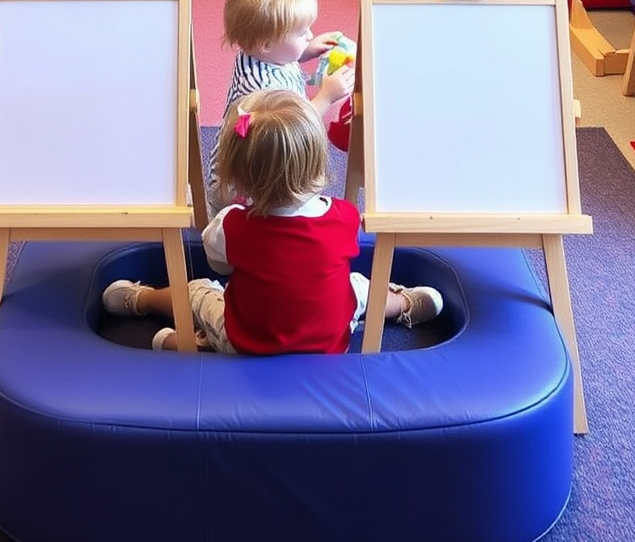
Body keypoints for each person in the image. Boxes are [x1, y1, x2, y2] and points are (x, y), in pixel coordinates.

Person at [103, 88, 443, 353]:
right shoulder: (344, 215)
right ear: (317, 163)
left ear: (236, 172)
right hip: (329, 343)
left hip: (246, 345)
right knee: (359, 284)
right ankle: (402, 305)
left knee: (197, 291)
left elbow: (218, 267)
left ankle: (147, 304)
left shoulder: (231, 224)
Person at [204, 0, 354, 208]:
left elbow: (280, 59)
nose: (310, 35)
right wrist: (326, 96)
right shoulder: (264, 89)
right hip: (247, 184)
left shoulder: (255, 55)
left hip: (245, 160)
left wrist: (304, 51)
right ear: (266, 45)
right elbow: (294, 127)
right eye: (301, 32)